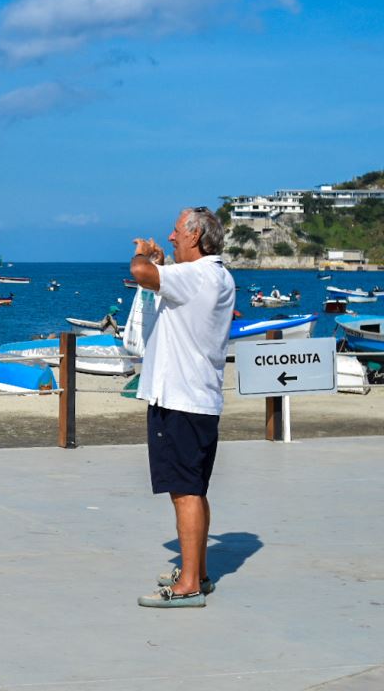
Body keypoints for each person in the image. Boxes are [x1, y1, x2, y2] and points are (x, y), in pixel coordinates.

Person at [129, 206, 235, 609]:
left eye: (175, 232)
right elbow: (172, 285)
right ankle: (200, 572)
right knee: (195, 489)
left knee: (185, 492)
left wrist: (143, 255)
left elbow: (141, 275)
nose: (170, 238)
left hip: (180, 400)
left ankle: (189, 584)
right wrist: (162, 263)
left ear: (194, 236)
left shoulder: (195, 276)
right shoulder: (219, 275)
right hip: (201, 398)